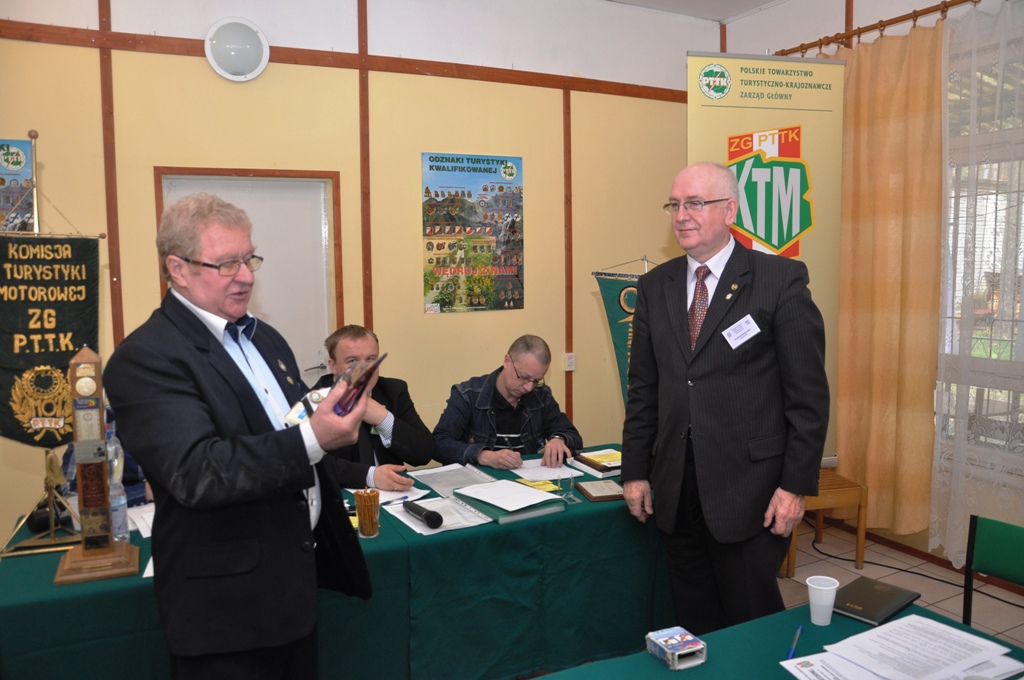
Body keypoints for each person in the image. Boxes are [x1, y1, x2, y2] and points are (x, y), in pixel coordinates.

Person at [104, 193, 371, 680]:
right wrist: (314, 437)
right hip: (225, 617)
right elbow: (197, 472)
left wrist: (326, 414)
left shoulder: (264, 338)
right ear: (178, 269)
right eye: (227, 263)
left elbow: (284, 430)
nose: (246, 276)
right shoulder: (146, 358)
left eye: (249, 259)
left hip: (293, 592)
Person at [621, 162, 829, 636]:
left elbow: (808, 399)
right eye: (675, 204)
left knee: (749, 619)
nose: (681, 215)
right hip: (676, 489)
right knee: (692, 618)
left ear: (730, 210)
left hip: (751, 491)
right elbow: (644, 389)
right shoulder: (655, 286)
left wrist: (795, 486)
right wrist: (635, 471)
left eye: (695, 203)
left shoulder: (779, 280)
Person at [312, 325, 435, 491]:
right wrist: (371, 476)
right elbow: (311, 466)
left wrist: (384, 418)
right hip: (343, 497)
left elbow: (424, 453)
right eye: (353, 361)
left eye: (371, 359)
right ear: (333, 366)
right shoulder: (314, 402)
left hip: (394, 494)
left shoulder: (393, 391)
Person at [433, 334, 583, 469]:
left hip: (528, 482)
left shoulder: (541, 396)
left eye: (536, 381)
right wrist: (483, 456)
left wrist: (559, 439)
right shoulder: (468, 395)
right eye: (524, 377)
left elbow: (572, 436)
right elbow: (439, 444)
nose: (529, 387)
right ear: (507, 361)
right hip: (479, 482)